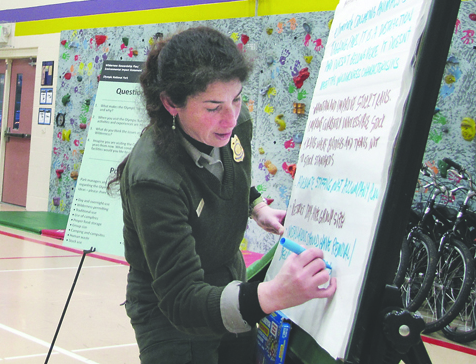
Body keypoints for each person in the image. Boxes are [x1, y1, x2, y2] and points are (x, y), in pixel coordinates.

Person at [110, 26, 337, 364]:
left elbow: (231, 172)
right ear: (172, 102)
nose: (230, 118)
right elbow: (182, 300)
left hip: (229, 280)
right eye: (213, 106)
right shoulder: (153, 179)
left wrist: (256, 205)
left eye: (237, 98)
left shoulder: (233, 122)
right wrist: (274, 294)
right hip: (172, 314)